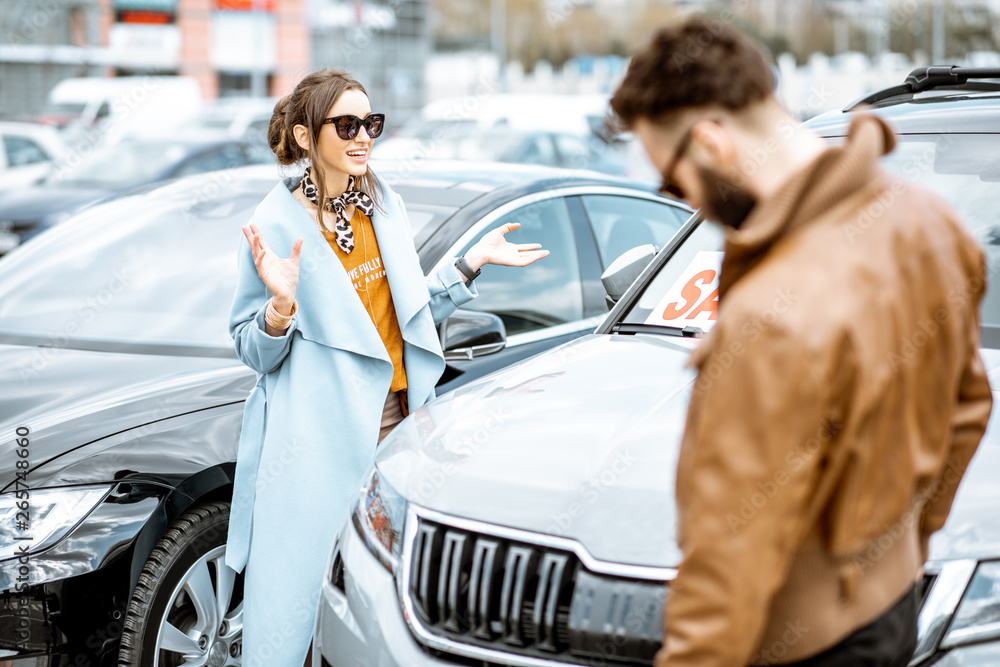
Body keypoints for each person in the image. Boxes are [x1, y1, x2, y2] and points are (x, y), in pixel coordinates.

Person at [609, 16, 993, 667]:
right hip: (890, 605)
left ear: (710, 141)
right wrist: (903, 546)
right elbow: (968, 408)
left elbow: (724, 570)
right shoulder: (931, 224)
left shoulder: (769, 316)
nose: (687, 202)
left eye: (675, 182)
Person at [224, 68, 548, 667]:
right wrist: (280, 307)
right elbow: (251, 349)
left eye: (370, 123)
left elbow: (406, 314)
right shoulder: (274, 226)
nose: (363, 137)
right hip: (314, 446)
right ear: (303, 136)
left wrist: (469, 265)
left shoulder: (380, 205)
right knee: (293, 611)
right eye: (346, 124)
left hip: (399, 426)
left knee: (381, 605)